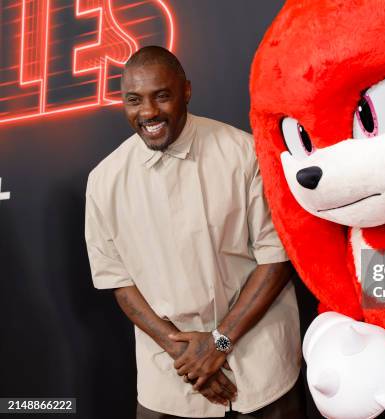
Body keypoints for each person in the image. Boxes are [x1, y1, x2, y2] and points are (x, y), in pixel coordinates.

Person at [84, 46, 304, 419]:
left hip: (260, 368)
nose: (148, 112)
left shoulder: (243, 154)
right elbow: (119, 282)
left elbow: (276, 259)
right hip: (171, 378)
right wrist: (187, 355)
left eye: (162, 96)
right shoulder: (104, 181)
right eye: (134, 100)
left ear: (186, 91)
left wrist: (219, 343)